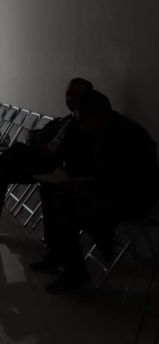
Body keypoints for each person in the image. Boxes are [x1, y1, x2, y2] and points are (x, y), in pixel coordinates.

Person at [30, 90, 158, 293]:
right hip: (111, 190)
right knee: (51, 191)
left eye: (84, 120)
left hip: (134, 199)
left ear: (98, 115)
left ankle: (76, 270)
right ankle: (58, 254)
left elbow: (126, 179)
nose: (82, 126)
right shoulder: (106, 129)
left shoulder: (128, 135)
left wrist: (83, 182)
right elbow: (102, 170)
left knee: (65, 204)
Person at [0, 78, 94, 238]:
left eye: (75, 94)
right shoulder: (68, 119)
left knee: (17, 149)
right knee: (2, 172)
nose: (69, 98)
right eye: (68, 94)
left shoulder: (88, 123)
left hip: (56, 169)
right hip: (44, 162)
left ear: (88, 96)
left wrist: (51, 152)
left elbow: (76, 155)